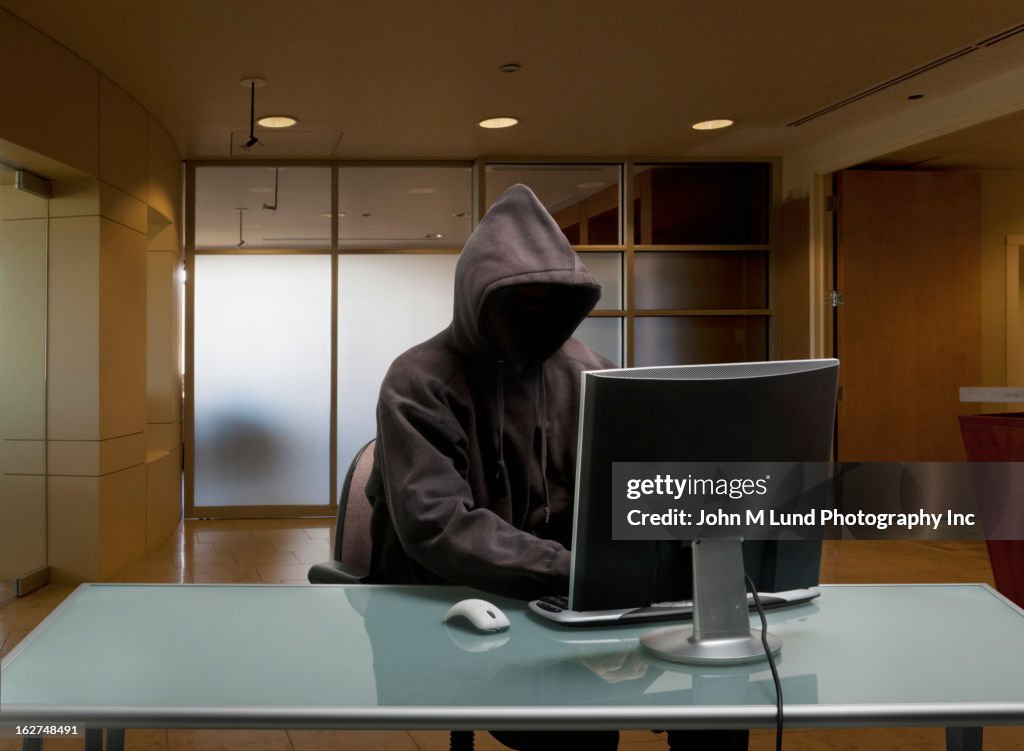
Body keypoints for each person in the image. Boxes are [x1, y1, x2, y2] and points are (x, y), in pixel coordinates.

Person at [365, 183, 749, 751]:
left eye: (550, 301)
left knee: (722, 701)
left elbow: (638, 494)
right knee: (575, 727)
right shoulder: (419, 381)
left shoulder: (596, 375)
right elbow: (438, 525)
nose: (536, 316)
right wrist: (586, 578)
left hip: (583, 597)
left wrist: (677, 555)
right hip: (463, 600)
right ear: (477, 295)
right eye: (518, 301)